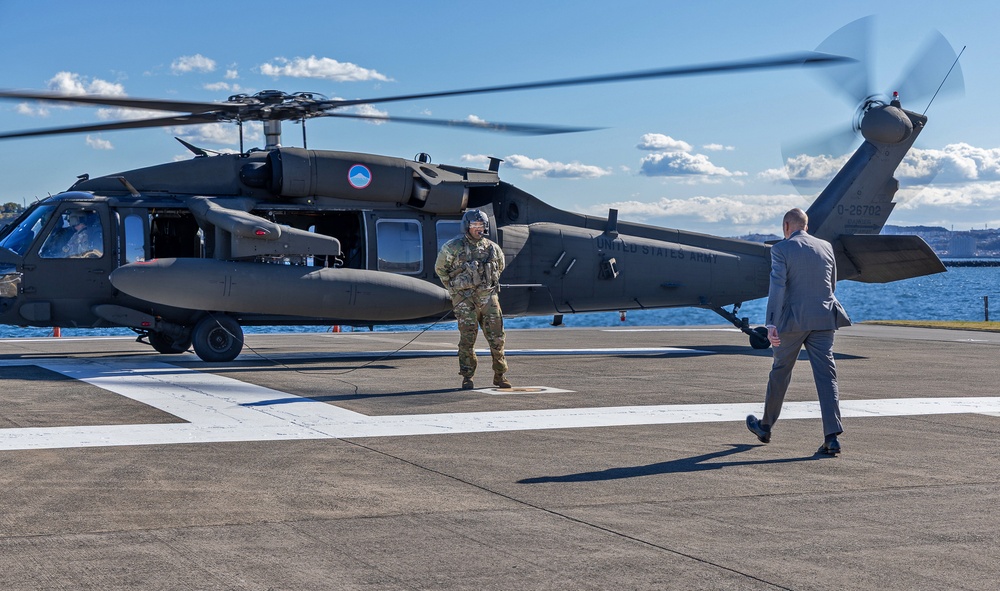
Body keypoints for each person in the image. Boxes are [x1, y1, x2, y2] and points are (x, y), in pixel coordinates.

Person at [746, 208, 851, 455]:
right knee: (827, 377)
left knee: (780, 372)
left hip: (792, 322)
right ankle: (832, 437)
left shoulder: (780, 249)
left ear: (786, 226)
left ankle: (765, 427)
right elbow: (831, 285)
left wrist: (771, 323)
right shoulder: (826, 247)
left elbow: (778, 286)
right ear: (806, 225)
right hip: (824, 319)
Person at [434, 209, 511, 390]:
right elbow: (440, 269)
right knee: (467, 339)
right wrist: (455, 290)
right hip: (465, 300)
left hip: (488, 298)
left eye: (481, 225)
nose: (478, 228)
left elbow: (500, 267)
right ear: (467, 227)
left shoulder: (493, 248)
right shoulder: (453, 247)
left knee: (497, 338)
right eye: (475, 225)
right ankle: (467, 376)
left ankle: (500, 375)